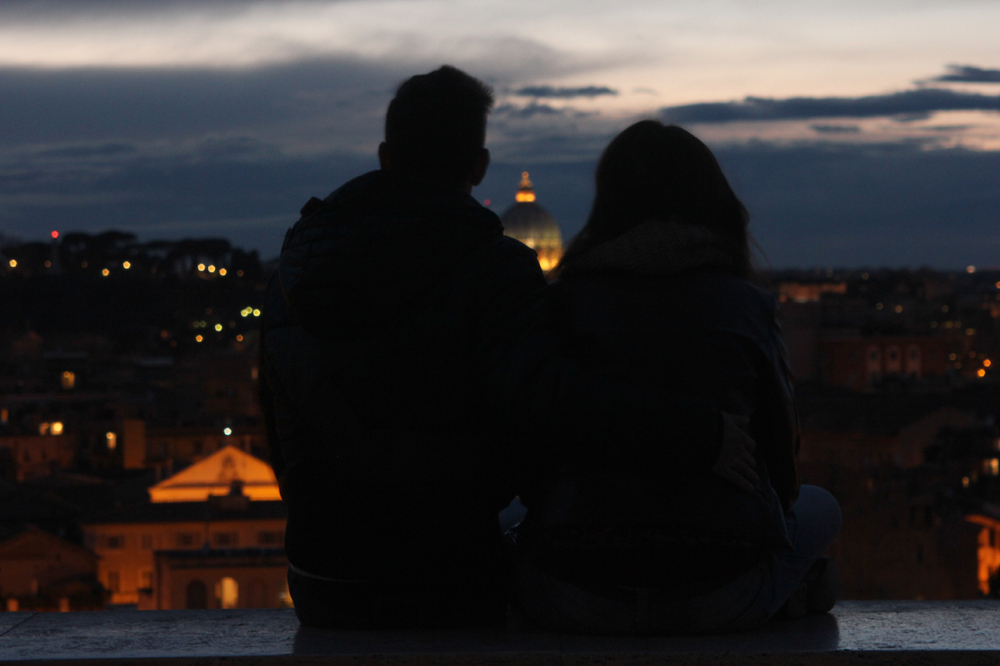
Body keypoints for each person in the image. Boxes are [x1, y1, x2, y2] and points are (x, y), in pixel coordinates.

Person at [258, 68, 755, 629]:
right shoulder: (495, 269)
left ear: (384, 155)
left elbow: (281, 437)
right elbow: (547, 404)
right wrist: (697, 432)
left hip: (321, 578)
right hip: (450, 577)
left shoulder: (290, 276)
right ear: (479, 165)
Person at [513, 120, 842, 635]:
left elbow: (529, 462)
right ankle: (794, 586)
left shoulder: (560, 305)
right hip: (718, 591)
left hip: (573, 589)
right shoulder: (746, 305)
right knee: (825, 508)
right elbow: (784, 477)